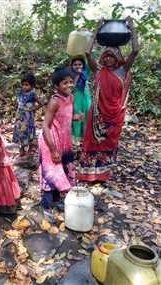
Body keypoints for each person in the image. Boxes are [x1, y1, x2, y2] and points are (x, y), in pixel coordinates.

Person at [79, 17, 139, 183]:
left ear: (117, 58)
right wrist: (97, 28)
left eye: (111, 56)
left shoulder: (122, 71)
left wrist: (131, 27)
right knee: (92, 142)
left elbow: (135, 51)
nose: (107, 59)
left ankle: (103, 175)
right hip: (97, 114)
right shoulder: (98, 70)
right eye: (105, 56)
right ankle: (89, 174)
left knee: (108, 144)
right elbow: (87, 53)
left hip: (114, 115)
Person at [38, 68, 83, 214]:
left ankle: (57, 201)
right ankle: (46, 207)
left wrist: (76, 118)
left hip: (64, 142)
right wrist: (52, 149)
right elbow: (45, 125)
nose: (69, 85)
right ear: (57, 86)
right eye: (65, 83)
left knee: (62, 170)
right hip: (50, 141)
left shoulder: (71, 98)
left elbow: (66, 117)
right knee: (51, 174)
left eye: (71, 82)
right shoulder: (54, 101)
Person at [12, 72, 40, 156]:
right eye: (23, 84)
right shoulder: (20, 92)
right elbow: (19, 102)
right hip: (20, 116)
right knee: (20, 131)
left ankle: (31, 147)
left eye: (27, 85)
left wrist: (33, 109)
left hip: (28, 117)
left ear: (32, 86)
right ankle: (22, 148)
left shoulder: (32, 94)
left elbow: (40, 103)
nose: (24, 87)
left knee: (29, 131)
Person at [70, 56, 91, 142]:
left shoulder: (85, 73)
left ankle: (85, 137)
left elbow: (90, 59)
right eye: (75, 64)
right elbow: (71, 88)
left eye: (80, 64)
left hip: (86, 98)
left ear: (83, 65)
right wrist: (78, 75)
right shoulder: (70, 75)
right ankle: (76, 139)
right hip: (76, 98)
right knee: (77, 117)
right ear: (72, 66)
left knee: (86, 115)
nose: (78, 66)